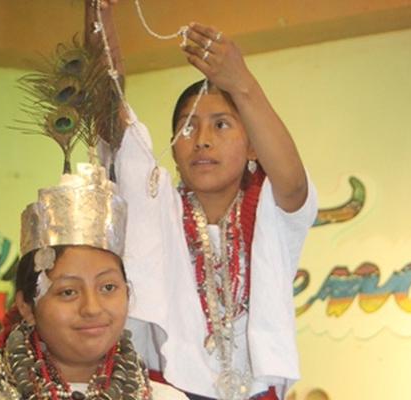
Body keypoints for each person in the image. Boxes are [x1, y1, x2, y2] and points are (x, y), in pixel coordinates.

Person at [95, 2, 318, 400]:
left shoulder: (269, 209)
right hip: (166, 387)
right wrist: (99, 17)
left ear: (253, 146)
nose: (201, 140)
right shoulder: (155, 205)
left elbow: (296, 185)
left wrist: (242, 82)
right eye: (187, 127)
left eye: (221, 125)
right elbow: (109, 111)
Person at [0, 164, 188, 400]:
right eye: (68, 292)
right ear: (26, 306)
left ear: (128, 294)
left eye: (108, 287)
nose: (92, 308)